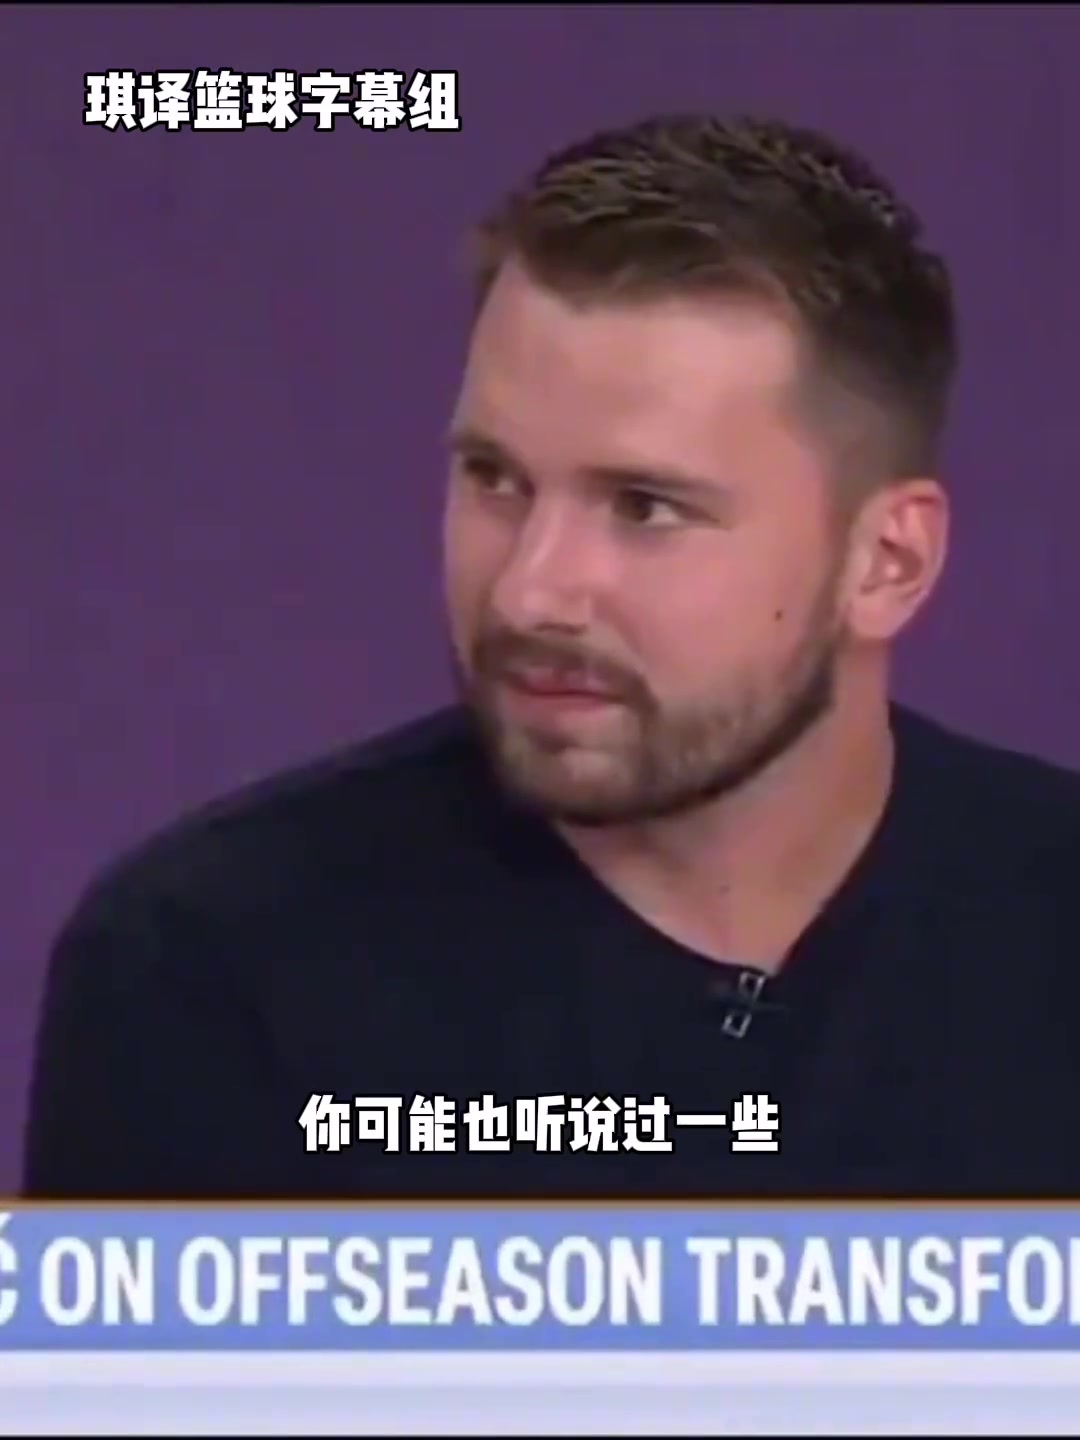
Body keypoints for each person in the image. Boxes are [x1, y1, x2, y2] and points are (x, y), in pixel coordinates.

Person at [22, 113, 1080, 1203]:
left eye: (645, 506)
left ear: (886, 564)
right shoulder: (211, 970)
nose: (529, 591)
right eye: (494, 479)